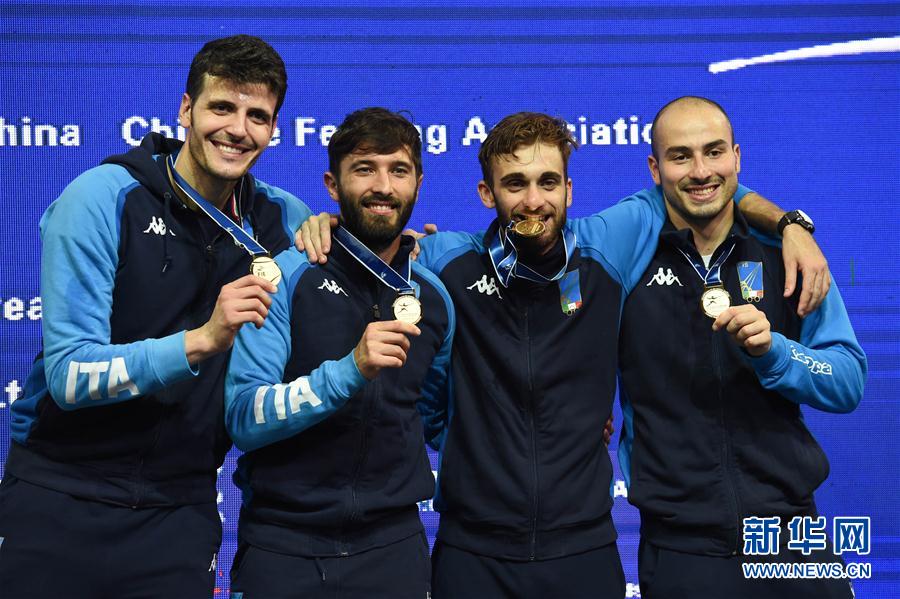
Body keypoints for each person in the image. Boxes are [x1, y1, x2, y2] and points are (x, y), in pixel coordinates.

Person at [297, 111, 829, 598]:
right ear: (486, 193)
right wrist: (324, 225)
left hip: (584, 551)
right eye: (515, 184)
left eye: (548, 182)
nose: (534, 201)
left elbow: (704, 185)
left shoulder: (608, 247)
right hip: (472, 553)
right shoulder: (445, 260)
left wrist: (790, 224)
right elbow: (374, 241)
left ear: (570, 189)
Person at [0, 35, 311, 597]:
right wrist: (202, 340)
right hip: (59, 495)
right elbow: (69, 377)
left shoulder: (284, 219)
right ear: (186, 109)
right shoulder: (101, 197)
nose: (238, 130)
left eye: (257, 116)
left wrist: (396, 252)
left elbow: (353, 272)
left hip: (180, 510)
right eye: (222, 107)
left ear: (273, 129)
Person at [617, 96, 866, 598]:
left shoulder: (791, 255)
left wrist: (776, 353)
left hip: (792, 535)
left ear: (737, 157)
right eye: (680, 156)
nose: (700, 171)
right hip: (682, 546)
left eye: (714, 152)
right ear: (655, 168)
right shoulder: (625, 257)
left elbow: (847, 380)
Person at [225, 108, 454, 598]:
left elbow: (433, 416)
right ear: (333, 184)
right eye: (364, 169)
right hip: (283, 547)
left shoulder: (434, 298)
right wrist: (350, 370)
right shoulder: (285, 276)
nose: (383, 187)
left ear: (418, 185)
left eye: (399, 171)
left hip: (394, 550)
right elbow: (243, 416)